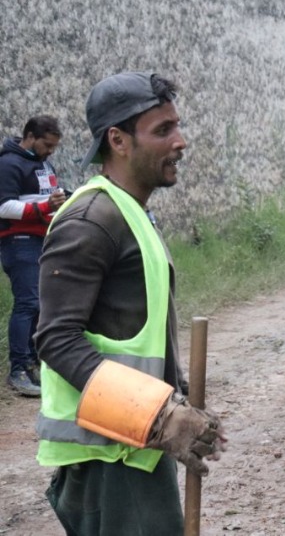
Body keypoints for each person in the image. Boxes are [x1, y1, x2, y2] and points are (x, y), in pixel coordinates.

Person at [34, 72, 226, 535]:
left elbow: (134, 331)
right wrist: (160, 416)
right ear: (118, 140)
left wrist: (174, 400)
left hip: (133, 445)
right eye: (163, 130)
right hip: (109, 458)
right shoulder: (90, 221)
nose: (180, 142)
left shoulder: (130, 212)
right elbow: (55, 339)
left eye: (177, 126)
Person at [0, 115, 66, 396]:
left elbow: (48, 196)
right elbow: (3, 207)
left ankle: (33, 366)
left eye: (53, 147)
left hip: (42, 241)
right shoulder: (8, 163)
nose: (50, 151)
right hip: (19, 242)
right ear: (29, 136)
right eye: (46, 145)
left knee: (41, 304)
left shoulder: (42, 163)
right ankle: (17, 370)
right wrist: (42, 209)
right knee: (27, 303)